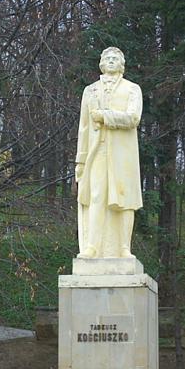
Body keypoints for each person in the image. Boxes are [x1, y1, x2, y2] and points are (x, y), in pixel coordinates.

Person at [75, 47, 143, 259]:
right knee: (96, 196)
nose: (111, 61)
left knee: (125, 197)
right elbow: (83, 128)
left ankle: (124, 248)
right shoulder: (90, 91)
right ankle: (92, 246)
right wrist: (80, 161)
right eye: (108, 58)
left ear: (122, 64)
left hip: (123, 153)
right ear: (101, 63)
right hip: (97, 151)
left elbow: (133, 118)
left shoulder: (132, 89)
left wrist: (105, 116)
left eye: (115, 58)